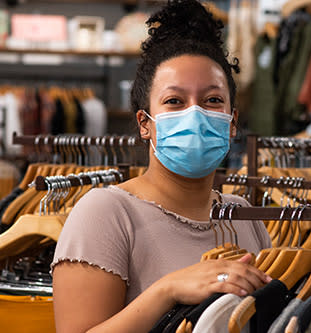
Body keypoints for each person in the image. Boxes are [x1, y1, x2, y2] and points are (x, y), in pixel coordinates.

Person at [51, 1, 272, 332]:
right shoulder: (106, 213)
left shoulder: (244, 217)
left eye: (213, 100)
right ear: (145, 123)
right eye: (174, 101)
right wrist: (168, 290)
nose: (195, 114)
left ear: (231, 122)